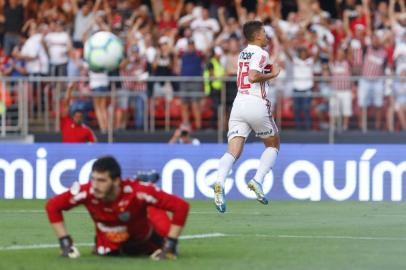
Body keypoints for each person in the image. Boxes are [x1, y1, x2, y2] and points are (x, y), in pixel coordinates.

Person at [46, 156, 189, 259]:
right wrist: (65, 244)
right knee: (105, 253)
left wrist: (170, 244)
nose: (95, 186)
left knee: (152, 207)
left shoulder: (137, 193)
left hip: (144, 239)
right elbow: (52, 206)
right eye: (93, 179)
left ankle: (146, 182)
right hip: (111, 243)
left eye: (101, 180)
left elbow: (181, 206)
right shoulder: (87, 191)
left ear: (116, 181)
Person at [213, 21, 280, 213]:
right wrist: (272, 75)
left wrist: (266, 71)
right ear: (257, 36)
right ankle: (258, 180)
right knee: (273, 145)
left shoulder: (243, 53)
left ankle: (219, 182)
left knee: (233, 151)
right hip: (255, 102)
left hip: (238, 103)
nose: (267, 36)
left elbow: (248, 73)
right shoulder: (262, 53)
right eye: (265, 33)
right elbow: (252, 76)